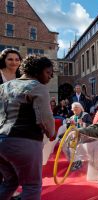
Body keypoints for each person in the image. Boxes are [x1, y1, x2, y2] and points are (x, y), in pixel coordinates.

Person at [0, 55, 55, 200]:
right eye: (48, 73)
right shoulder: (38, 87)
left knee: (10, 181)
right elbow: (45, 120)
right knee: (32, 185)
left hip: (1, 141)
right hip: (24, 140)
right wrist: (51, 133)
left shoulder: (3, 87)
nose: (50, 77)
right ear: (38, 70)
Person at [0, 48, 22, 200]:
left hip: (15, 123)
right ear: (4, 60)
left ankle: (9, 191)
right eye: (10, 59)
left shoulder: (21, 77)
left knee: (11, 163)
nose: (14, 62)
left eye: (17, 59)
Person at [68, 102, 93, 171]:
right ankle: (74, 161)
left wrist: (82, 123)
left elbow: (91, 126)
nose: (74, 111)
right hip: (75, 136)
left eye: (76, 109)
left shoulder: (86, 115)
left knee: (78, 145)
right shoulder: (72, 117)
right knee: (69, 145)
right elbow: (68, 127)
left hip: (85, 136)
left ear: (80, 108)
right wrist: (70, 124)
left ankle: (79, 162)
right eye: (73, 110)